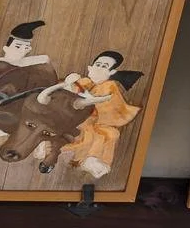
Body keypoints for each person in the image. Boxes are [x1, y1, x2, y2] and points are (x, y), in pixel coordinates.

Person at [48, 51, 143, 179]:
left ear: (111, 72)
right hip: (71, 118)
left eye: (104, 66)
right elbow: (63, 97)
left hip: (95, 121)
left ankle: (92, 159)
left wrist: (87, 98)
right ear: (90, 67)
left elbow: (105, 105)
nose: (99, 68)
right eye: (97, 64)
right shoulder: (82, 81)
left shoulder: (109, 85)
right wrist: (68, 83)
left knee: (110, 134)